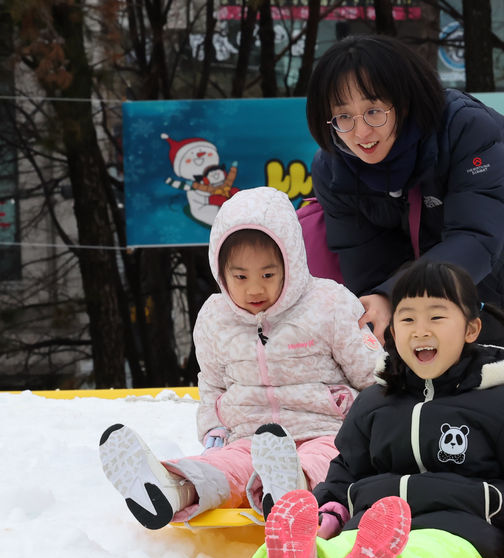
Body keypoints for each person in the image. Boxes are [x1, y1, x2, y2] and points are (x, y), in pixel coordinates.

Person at [249, 261, 504, 558]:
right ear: (392, 331)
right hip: (370, 525)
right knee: (338, 549)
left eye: (436, 318)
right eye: (408, 319)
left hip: (462, 529)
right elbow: (347, 472)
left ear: (472, 329)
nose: (420, 330)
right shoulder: (373, 403)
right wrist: (331, 509)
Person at [99, 186, 383, 529]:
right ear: (221, 272)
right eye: (240, 277)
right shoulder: (215, 317)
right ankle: (172, 488)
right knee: (227, 467)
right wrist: (214, 429)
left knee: (323, 461)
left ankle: (289, 491)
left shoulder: (329, 304)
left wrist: (377, 428)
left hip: (325, 431)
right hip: (249, 438)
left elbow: (373, 374)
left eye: (267, 275)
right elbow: (213, 383)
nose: (254, 290)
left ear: (290, 264)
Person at [305, 34, 504, 347]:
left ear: (403, 103)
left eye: (374, 111)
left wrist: (395, 294)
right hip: (432, 222)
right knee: (391, 304)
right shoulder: (332, 168)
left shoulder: (464, 125)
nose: (361, 132)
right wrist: (379, 298)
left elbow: (475, 239)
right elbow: (366, 268)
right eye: (344, 116)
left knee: (463, 289)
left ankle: (497, 381)